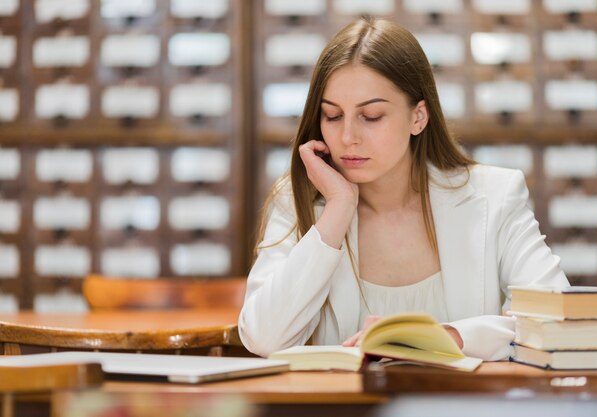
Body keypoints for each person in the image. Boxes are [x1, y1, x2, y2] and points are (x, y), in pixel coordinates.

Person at [238, 17, 569, 361]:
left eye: (372, 116)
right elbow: (263, 337)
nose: (348, 136)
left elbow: (558, 319)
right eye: (333, 116)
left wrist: (448, 337)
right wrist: (336, 212)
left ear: (418, 117)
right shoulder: (298, 200)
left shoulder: (496, 195)